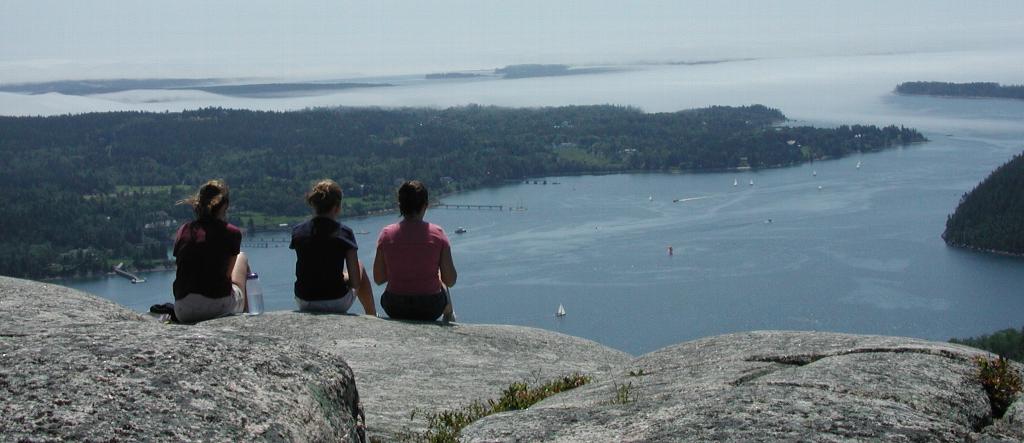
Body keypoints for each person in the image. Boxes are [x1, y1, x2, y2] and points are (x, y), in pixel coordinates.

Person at [374, 180, 457, 322]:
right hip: (430, 307)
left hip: (395, 306)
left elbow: (378, 279)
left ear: (400, 205)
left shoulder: (386, 234)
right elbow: (450, 280)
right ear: (425, 206)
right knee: (440, 278)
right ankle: (449, 317)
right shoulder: (438, 234)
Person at [290, 179, 376, 315]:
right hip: (336, 301)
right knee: (359, 265)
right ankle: (371, 315)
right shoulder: (345, 233)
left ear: (314, 205)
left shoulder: (298, 232)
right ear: (337, 207)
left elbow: (314, 267)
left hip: (304, 301)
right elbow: (355, 282)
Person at [172, 179, 248, 323]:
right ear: (224, 205)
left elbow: (180, 269)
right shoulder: (232, 232)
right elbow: (227, 276)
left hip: (183, 310)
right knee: (242, 258)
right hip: (219, 306)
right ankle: (246, 319)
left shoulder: (184, 230)